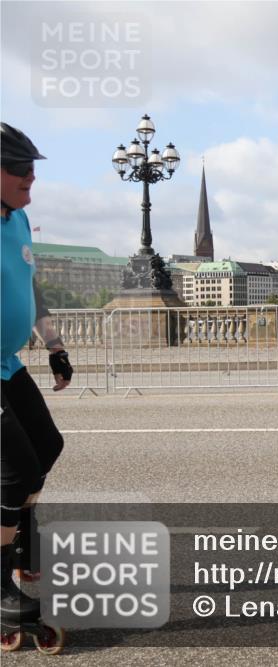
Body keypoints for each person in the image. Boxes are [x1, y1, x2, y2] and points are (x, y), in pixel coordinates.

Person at [1, 122, 73, 627]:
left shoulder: (20, 220)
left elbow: (30, 287)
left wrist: (55, 347)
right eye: (17, 168)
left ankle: (19, 538)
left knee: (47, 446)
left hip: (8, 363)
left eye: (32, 168)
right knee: (17, 470)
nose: (30, 176)